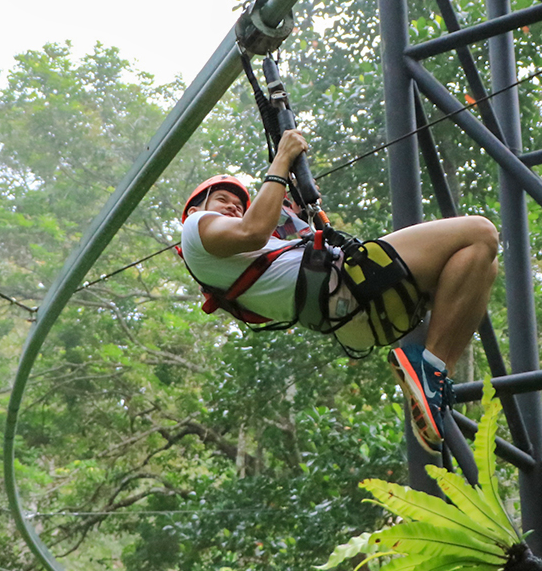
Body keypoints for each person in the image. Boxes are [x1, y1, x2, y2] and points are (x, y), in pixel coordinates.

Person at [179, 128, 499, 453]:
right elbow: (254, 230)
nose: (234, 208)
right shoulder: (195, 229)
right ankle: (430, 370)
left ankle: (435, 380)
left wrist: (296, 202)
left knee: (483, 263)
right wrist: (282, 157)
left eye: (239, 205)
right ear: (194, 211)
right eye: (222, 200)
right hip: (350, 284)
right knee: (481, 232)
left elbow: (272, 233)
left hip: (351, 317)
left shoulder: (236, 265)